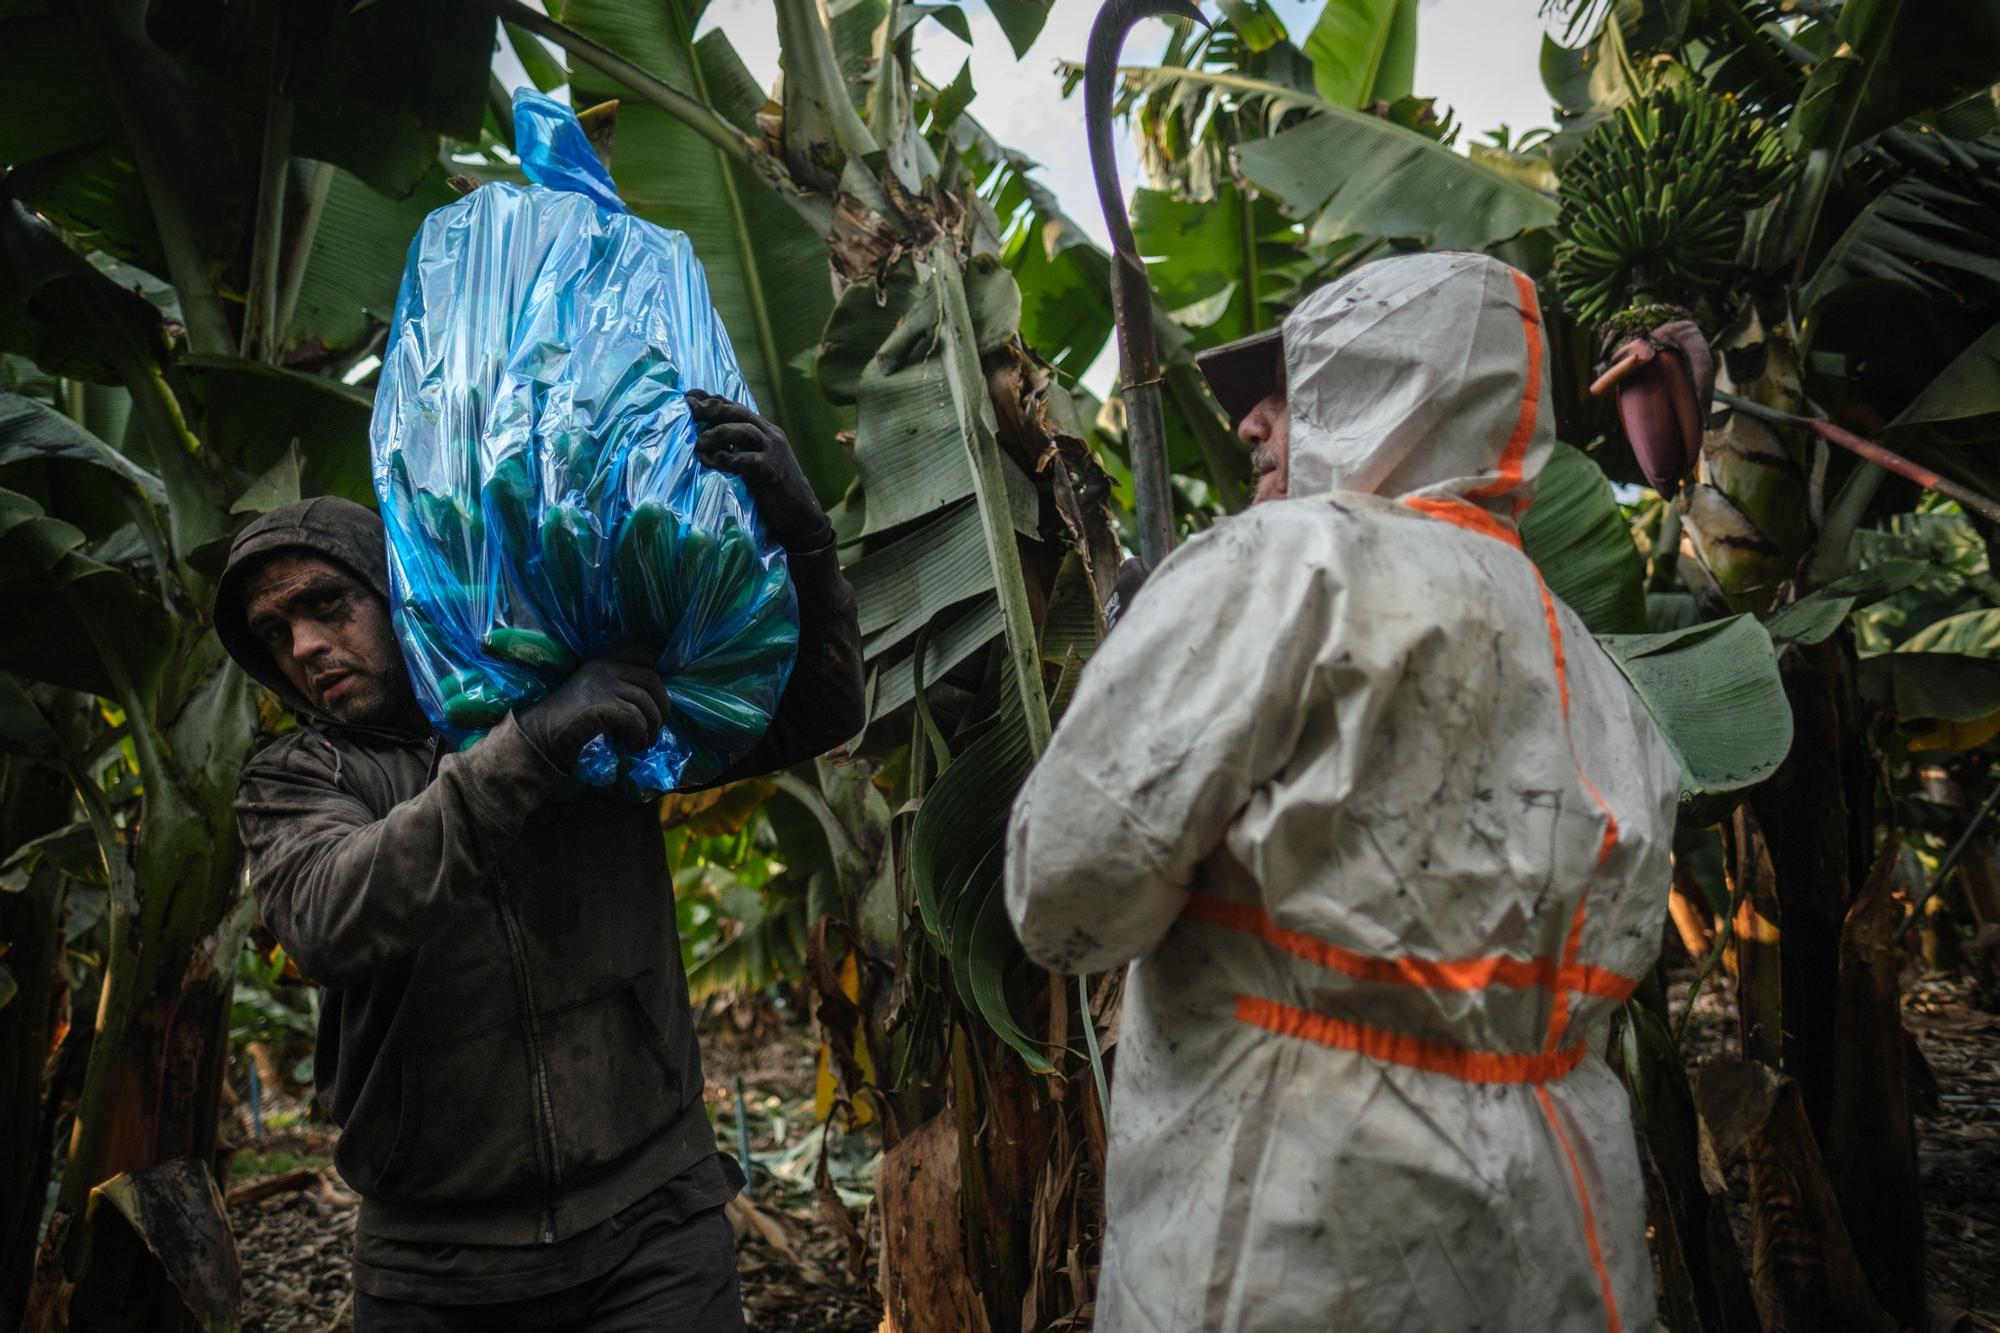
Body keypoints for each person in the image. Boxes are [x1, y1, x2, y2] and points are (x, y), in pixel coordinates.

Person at [1005, 252, 1681, 1332]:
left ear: (1386, 383)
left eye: (1292, 388)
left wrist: (1132, 663)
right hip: (1554, 1237)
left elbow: (1067, 897)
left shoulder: (1285, 565)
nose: (1251, 428)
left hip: (1296, 1231)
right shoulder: (1591, 670)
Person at [215, 393, 862, 1332]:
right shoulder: (298, 775)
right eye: (278, 633)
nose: (308, 646)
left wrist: (805, 540)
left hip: (653, 1226)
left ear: (403, 585)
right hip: (435, 1261)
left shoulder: (561, 678)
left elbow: (818, 710)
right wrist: (534, 746)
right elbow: (328, 913)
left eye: (328, 605)